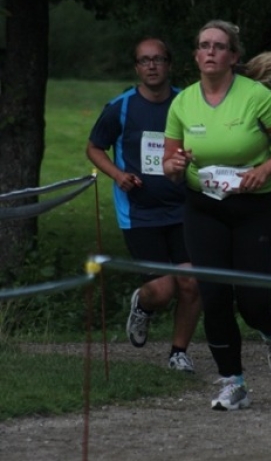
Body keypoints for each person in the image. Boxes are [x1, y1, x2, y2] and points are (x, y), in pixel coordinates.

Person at [163, 20, 271, 409]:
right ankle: (233, 382)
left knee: (253, 300)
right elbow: (169, 163)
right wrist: (175, 165)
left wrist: (265, 170)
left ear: (233, 56)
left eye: (219, 46)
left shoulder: (255, 96)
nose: (210, 51)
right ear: (196, 56)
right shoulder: (182, 102)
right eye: (204, 45)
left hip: (254, 208)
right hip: (203, 208)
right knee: (214, 297)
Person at [86, 37, 200, 372]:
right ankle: (144, 305)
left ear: (169, 64)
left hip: (185, 207)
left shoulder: (186, 102)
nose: (152, 66)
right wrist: (117, 175)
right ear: (137, 68)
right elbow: (94, 147)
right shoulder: (120, 107)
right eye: (144, 60)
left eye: (158, 59)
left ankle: (178, 352)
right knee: (162, 291)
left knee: (193, 282)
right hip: (140, 212)